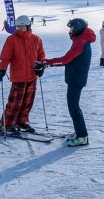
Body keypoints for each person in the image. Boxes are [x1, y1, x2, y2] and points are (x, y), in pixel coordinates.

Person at [41, 18, 96, 147]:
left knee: (74, 108)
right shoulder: (80, 40)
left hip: (76, 78)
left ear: (77, 28)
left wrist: (47, 62)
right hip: (76, 77)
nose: (70, 31)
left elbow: (66, 59)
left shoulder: (81, 42)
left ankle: (82, 136)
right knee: (74, 107)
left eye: (71, 28)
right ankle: (79, 133)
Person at [0, 15, 45, 134]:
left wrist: (41, 67)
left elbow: (41, 56)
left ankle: (21, 121)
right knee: (15, 102)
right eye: (17, 26)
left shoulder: (36, 39)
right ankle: (6, 123)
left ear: (28, 26)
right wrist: (2, 69)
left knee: (28, 101)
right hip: (18, 76)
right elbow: (5, 57)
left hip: (32, 76)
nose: (19, 28)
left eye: (21, 26)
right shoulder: (11, 39)